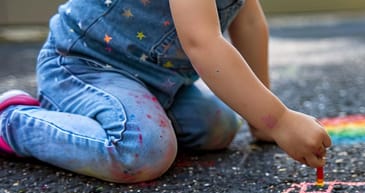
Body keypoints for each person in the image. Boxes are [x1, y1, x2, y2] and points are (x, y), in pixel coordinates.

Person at [0, 0, 331, 183]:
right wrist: (281, 121)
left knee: (219, 128)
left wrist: (263, 122)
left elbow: (248, 23)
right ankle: (14, 121)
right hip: (83, 66)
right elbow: (202, 42)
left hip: (157, 80)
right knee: (141, 152)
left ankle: (134, 114)